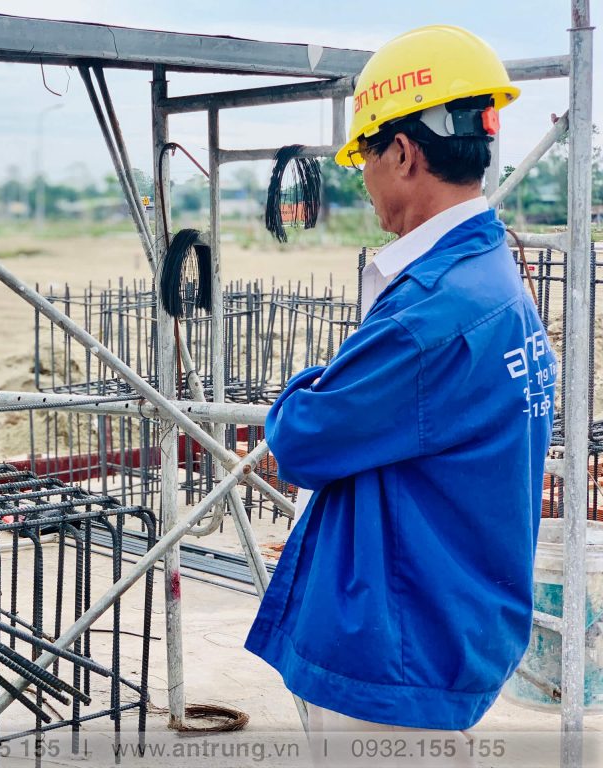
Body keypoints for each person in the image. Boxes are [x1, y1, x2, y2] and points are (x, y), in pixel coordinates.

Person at [244, 25, 557, 766]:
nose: (364, 180)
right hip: (448, 619)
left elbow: (302, 438)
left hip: (400, 648)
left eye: (366, 158)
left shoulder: (433, 312)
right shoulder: (491, 276)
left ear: (406, 153)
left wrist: (310, 383)